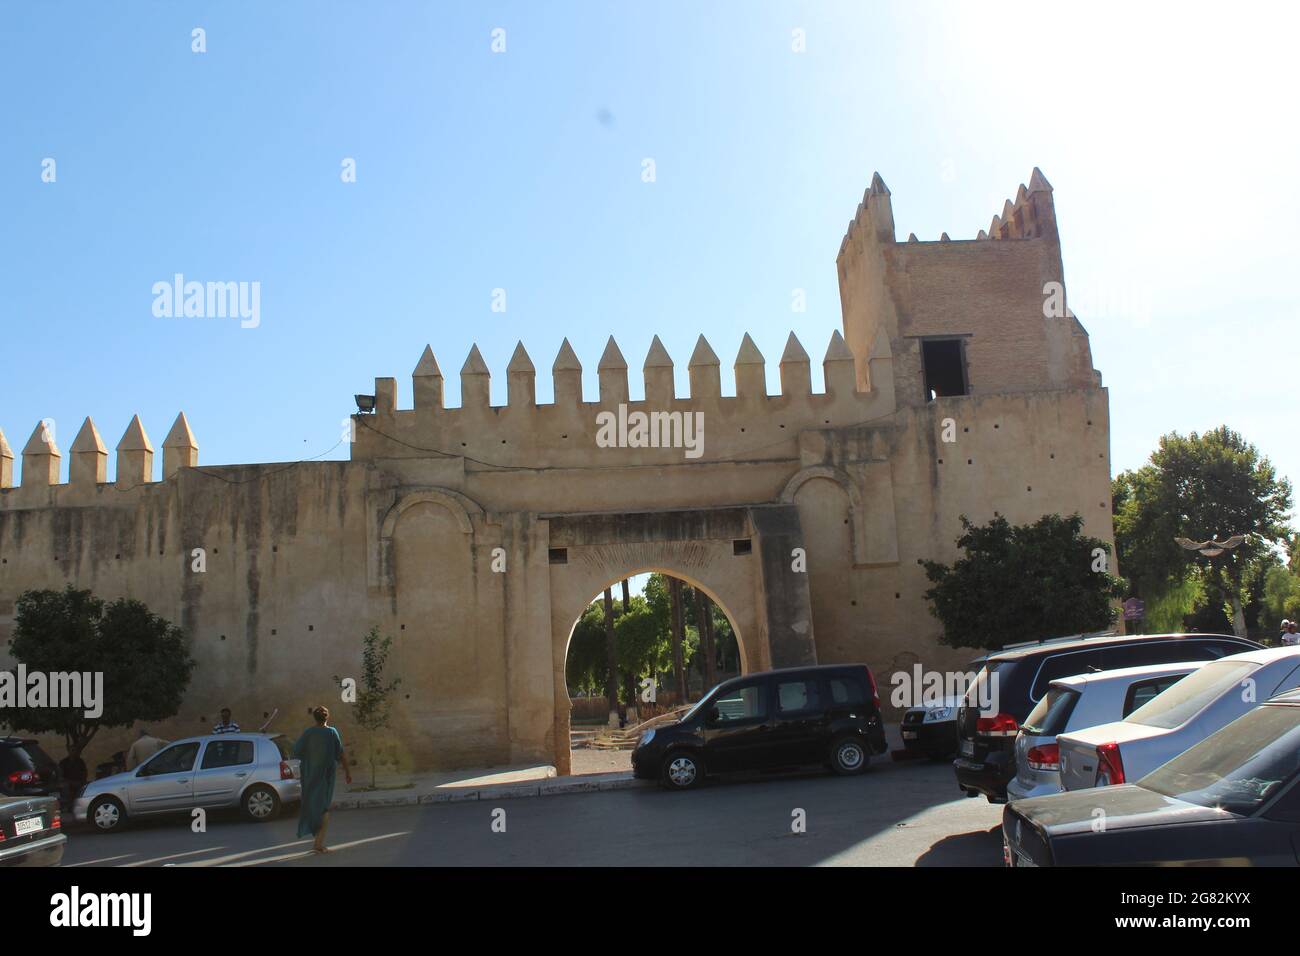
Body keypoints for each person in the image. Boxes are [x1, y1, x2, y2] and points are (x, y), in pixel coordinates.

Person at [292, 706, 351, 853]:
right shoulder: (332, 732)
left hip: (310, 776)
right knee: (324, 808)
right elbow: (341, 753)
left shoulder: (308, 733)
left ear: (315, 718)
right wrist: (347, 772)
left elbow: (296, 750)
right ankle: (318, 843)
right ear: (327, 717)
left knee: (313, 805)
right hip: (326, 777)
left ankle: (317, 842)